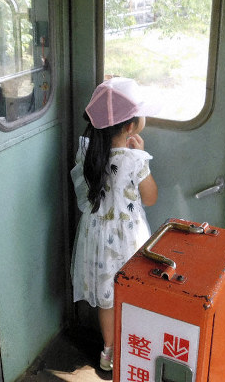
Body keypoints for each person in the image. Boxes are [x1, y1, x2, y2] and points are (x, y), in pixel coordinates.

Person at [69, 77, 159, 372]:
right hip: (127, 239)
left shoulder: (86, 151)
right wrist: (140, 157)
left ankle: (108, 353)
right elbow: (151, 198)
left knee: (106, 298)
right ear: (131, 126)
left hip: (96, 235)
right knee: (130, 291)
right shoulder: (135, 160)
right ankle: (133, 348)